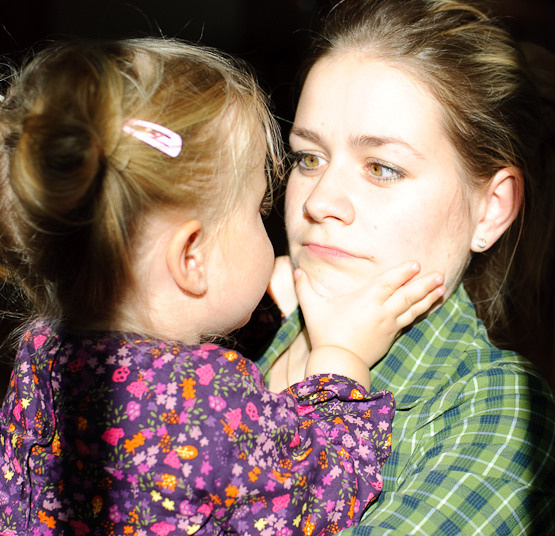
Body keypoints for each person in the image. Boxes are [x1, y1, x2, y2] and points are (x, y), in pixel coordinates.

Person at [0, 37, 446, 534]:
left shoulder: (42, 352)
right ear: (191, 257)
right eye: (257, 211)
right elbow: (321, 497)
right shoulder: (208, 398)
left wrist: (265, 297)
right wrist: (341, 357)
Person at [256, 0, 555, 534]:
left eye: (382, 168)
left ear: (491, 208)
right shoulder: (236, 322)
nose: (320, 201)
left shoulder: (497, 419)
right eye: (309, 158)